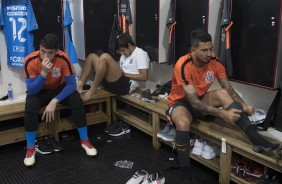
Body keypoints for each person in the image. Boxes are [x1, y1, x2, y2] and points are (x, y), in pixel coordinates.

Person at [166, 28, 280, 183]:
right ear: (193, 50)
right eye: (204, 50)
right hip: (181, 103)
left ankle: (256, 140)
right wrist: (221, 114)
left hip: (201, 100)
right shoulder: (183, 64)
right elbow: (193, 103)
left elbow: (229, 90)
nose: (209, 53)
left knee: (222, 93)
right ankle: (185, 173)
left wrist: (244, 105)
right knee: (183, 122)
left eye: (211, 49)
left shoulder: (215, 62)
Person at [23, 34, 97, 167]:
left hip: (58, 88)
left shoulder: (63, 58)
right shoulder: (30, 60)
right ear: (39, 47)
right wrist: (44, 73)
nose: (45, 56)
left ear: (56, 52)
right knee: (30, 104)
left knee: (76, 99)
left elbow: (71, 85)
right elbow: (32, 90)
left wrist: (54, 101)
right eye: (43, 51)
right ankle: (30, 149)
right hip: (40, 91)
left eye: (50, 53)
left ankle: (85, 141)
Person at [77, 33, 150, 102]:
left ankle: (91, 91)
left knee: (105, 56)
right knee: (91, 56)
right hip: (113, 83)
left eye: (122, 50)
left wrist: (126, 74)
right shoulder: (124, 55)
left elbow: (144, 77)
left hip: (125, 86)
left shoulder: (141, 54)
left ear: (129, 45)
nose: (122, 53)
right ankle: (79, 86)